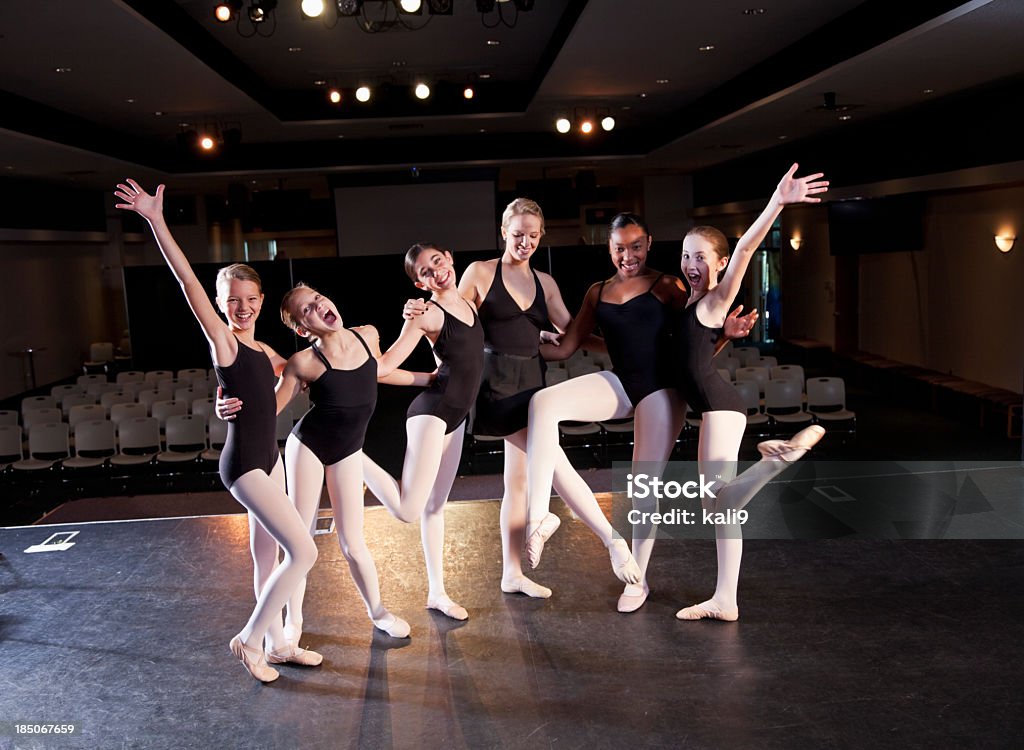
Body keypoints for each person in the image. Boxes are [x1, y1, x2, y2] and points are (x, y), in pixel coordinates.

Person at [115, 179, 318, 683]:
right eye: (232, 299)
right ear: (221, 302)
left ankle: (277, 644)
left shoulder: (266, 352)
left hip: (267, 457)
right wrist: (156, 220)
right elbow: (186, 282)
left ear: (262, 299)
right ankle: (250, 642)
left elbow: (277, 397)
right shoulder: (224, 342)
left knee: (267, 554)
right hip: (245, 465)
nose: (242, 306)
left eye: (249, 298)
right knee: (305, 550)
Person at [407, 199, 648, 596]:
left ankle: (513, 573)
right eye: (517, 234)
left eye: (533, 236)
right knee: (555, 465)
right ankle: (612, 541)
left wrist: (621, 350)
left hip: (532, 385)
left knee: (518, 483)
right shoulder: (480, 273)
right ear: (503, 232)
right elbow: (453, 321)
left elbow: (571, 336)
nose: (525, 242)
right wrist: (438, 350)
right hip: (494, 389)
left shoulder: (545, 283)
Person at [527, 213, 756, 612]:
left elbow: (691, 346)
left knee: (642, 488)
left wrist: (724, 335)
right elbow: (568, 348)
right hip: (622, 380)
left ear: (648, 243)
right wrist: (517, 346)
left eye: (635, 246)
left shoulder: (667, 285)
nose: (628, 256)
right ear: (609, 248)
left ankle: (639, 579)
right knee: (543, 404)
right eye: (619, 247)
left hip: (661, 389)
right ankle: (544, 517)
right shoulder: (597, 292)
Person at [218, 283, 432, 638]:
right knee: (299, 542)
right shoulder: (304, 362)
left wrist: (427, 379)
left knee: (353, 542)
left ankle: (378, 612)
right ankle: (293, 622)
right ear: (303, 331)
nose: (318, 307)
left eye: (318, 299)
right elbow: (267, 410)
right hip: (308, 449)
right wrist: (225, 406)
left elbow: (377, 370)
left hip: (347, 449)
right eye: (307, 311)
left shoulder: (367, 335)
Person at [674, 163, 828, 622]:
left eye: (701, 257)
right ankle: (725, 599)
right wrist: (727, 336)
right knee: (720, 508)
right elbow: (696, 357)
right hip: (718, 407)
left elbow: (744, 247)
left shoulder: (716, 297)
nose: (691, 265)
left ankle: (773, 460)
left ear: (719, 264)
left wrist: (777, 203)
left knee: (716, 503)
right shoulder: (692, 302)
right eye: (686, 255)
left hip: (720, 407)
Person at [354, 243, 485, 620]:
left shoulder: (469, 304)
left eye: (437, 262)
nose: (436, 271)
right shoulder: (426, 314)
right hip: (432, 414)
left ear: (449, 258)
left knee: (434, 507)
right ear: (419, 283)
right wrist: (423, 377)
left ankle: (437, 593)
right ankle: (353, 456)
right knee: (410, 510)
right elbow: (381, 367)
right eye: (425, 271)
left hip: (456, 417)